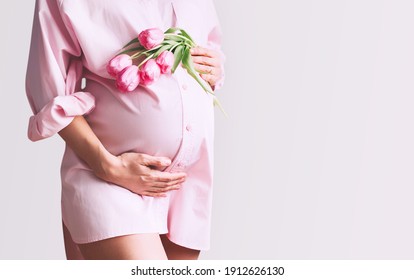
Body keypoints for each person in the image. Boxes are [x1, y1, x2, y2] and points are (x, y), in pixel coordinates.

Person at [25, 0, 224, 260]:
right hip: (109, 177)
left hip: (182, 185)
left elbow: (209, 45)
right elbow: (49, 90)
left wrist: (215, 67)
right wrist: (107, 166)